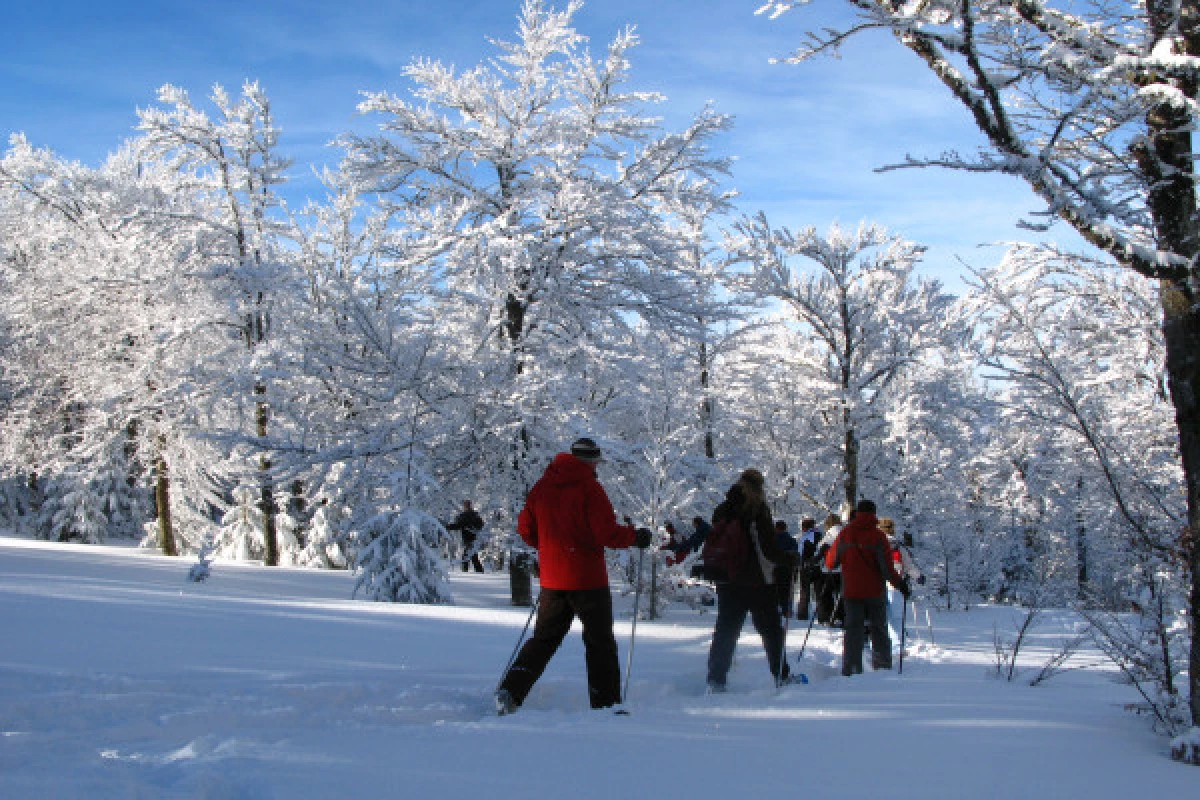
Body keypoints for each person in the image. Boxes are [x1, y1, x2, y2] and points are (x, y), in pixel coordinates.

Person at [495, 438, 651, 715]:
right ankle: (606, 704)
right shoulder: (590, 488)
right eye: (596, 462)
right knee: (599, 642)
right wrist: (635, 537)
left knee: (543, 639)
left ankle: (511, 690)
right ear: (591, 461)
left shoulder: (542, 486)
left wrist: (550, 550)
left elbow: (526, 529)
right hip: (588, 580)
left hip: (553, 580)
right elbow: (607, 534)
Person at [705, 469, 800, 692]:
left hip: (727, 580)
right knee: (771, 632)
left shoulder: (723, 509)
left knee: (726, 631)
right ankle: (780, 675)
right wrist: (789, 559)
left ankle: (716, 679)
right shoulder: (758, 510)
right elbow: (767, 551)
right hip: (758, 582)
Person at [825, 500, 909, 676]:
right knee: (879, 628)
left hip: (851, 590)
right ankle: (883, 666)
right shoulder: (878, 537)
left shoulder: (845, 534)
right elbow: (887, 569)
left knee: (853, 630)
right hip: (874, 591)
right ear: (874, 513)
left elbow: (831, 562)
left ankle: (852, 667)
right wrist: (900, 584)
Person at [879, 517, 924, 642]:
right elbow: (909, 566)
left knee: (879, 617)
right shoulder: (898, 547)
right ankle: (897, 645)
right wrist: (918, 576)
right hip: (896, 585)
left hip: (877, 586)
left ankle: (878, 646)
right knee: (896, 618)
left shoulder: (874, 544)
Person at [813, 513, 843, 625]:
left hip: (829, 569)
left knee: (825, 594)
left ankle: (826, 617)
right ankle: (841, 615)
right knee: (841, 594)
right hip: (844, 570)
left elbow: (821, 551)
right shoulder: (845, 532)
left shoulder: (829, 535)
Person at [445, 499, 485, 573]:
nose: (465, 506)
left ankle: (466, 572)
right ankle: (478, 571)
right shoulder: (475, 515)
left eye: (466, 505)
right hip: (474, 538)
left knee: (467, 557)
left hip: (468, 538)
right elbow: (481, 525)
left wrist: (447, 527)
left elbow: (458, 525)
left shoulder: (465, 515)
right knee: (472, 556)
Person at [773, 520, 799, 619]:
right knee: (787, 590)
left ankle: (776, 609)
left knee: (775, 590)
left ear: (776, 528)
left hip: (776, 569)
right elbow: (796, 555)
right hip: (788, 569)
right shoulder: (792, 540)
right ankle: (787, 610)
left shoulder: (772, 540)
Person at [796, 518, 819, 619]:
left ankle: (802, 614)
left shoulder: (805, 537)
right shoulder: (820, 535)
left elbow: (801, 553)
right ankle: (822, 614)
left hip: (806, 566)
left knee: (805, 591)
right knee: (818, 590)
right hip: (818, 566)